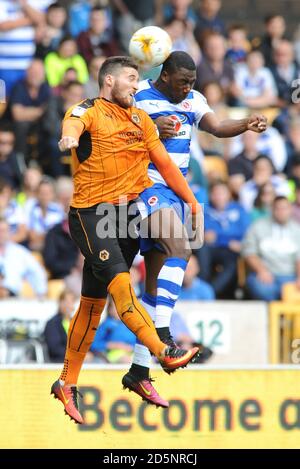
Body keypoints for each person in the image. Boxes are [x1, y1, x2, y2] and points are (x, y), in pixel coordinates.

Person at [51, 56, 202, 424]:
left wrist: (192, 200)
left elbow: (165, 164)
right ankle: (160, 350)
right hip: (92, 215)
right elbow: (74, 121)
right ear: (108, 81)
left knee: (92, 304)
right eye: (132, 79)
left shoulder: (139, 119)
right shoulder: (88, 110)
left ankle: (66, 382)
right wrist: (68, 136)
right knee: (122, 283)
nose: (137, 85)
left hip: (127, 216)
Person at [121, 51, 267, 407]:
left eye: (192, 82)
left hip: (175, 193)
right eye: (183, 81)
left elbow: (216, 128)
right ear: (165, 75)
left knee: (154, 290)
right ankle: (162, 333)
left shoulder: (193, 99)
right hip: (143, 187)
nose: (188, 88)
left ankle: (139, 371)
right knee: (181, 248)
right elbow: (119, 135)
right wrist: (153, 130)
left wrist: (245, 122)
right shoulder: (138, 94)